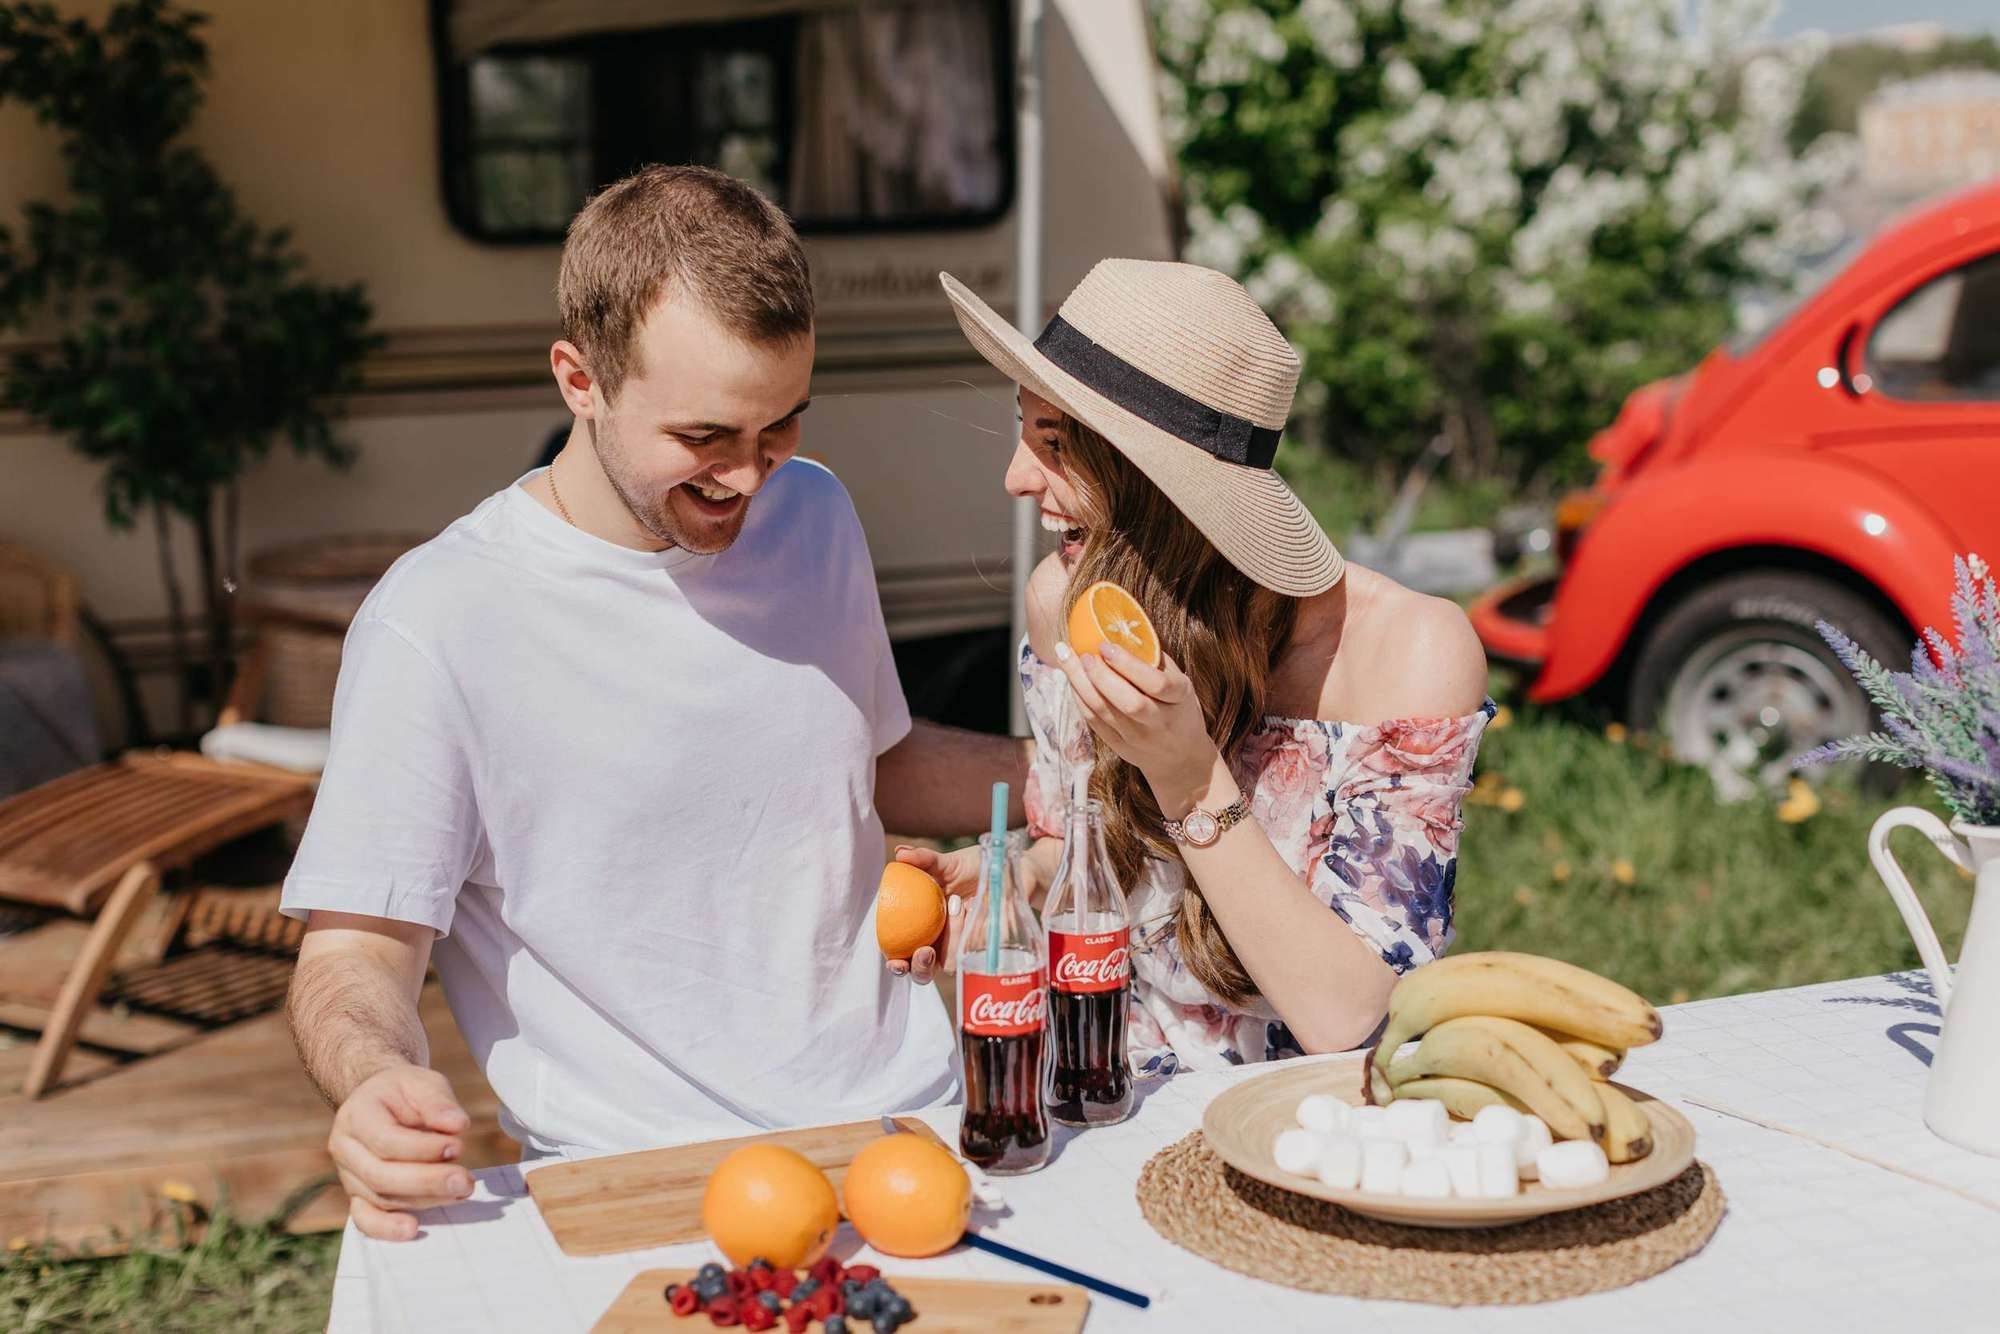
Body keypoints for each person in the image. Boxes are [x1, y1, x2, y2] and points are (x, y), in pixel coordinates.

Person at [282, 166, 1023, 1242]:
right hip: (639, 1187)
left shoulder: (814, 511)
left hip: (909, 1134)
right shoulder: (437, 621)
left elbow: (860, 756)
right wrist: (372, 1078)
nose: (751, 476)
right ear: (577, 378)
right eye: (706, 438)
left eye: (781, 426)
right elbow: (356, 949)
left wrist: (1071, 779)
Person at [919, 258, 1492, 1074]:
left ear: (1157, 485)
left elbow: (1347, 1012)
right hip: (1103, 1092)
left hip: (1309, 1122)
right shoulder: (1065, 601)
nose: (1016, 478)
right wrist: (1021, 878)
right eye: (1025, 430)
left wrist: (1189, 778)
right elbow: (1093, 846)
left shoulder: (1406, 651)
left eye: (1053, 444)